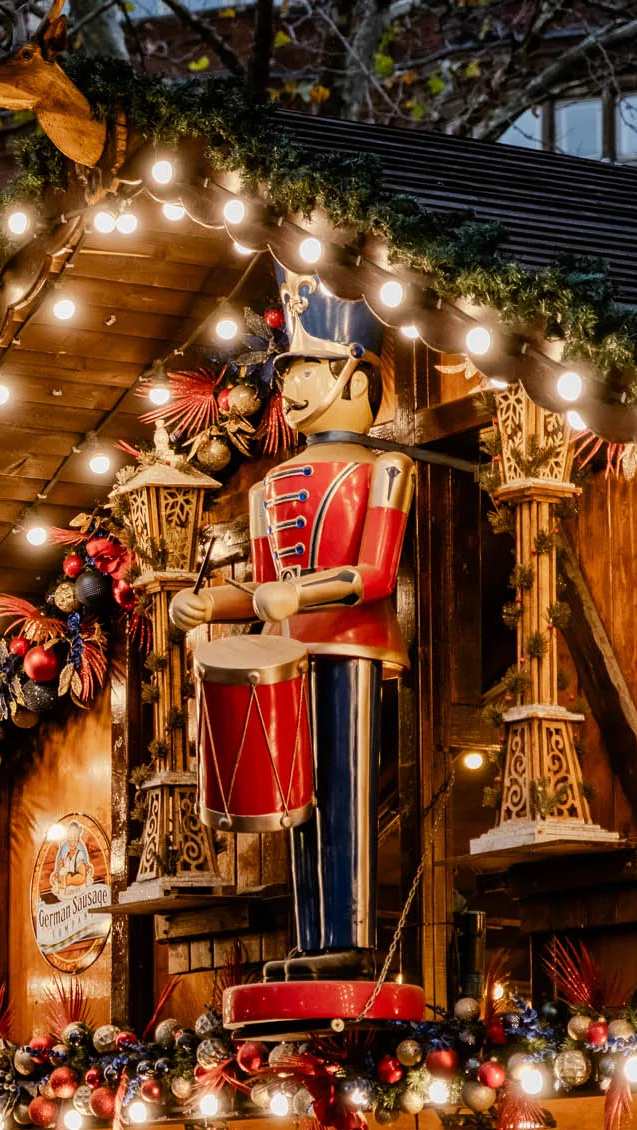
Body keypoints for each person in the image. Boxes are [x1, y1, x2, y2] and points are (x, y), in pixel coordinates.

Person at [169, 267, 413, 988]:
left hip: (354, 650)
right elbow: (261, 586)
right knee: (298, 799)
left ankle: (353, 933)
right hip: (292, 658)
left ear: (357, 379)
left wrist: (292, 595)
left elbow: (373, 575)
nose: (296, 385)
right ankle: (311, 937)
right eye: (291, 369)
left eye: (312, 367)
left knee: (347, 791)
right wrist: (212, 604)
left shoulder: (387, 469)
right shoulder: (271, 486)